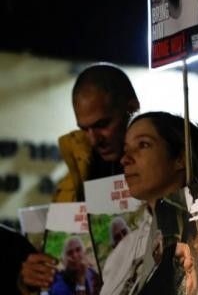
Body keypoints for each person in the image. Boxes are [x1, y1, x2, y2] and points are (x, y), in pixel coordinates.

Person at [20, 63, 140, 292]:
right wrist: (30, 279)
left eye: (102, 124)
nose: (94, 139)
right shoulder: (72, 180)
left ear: (132, 107)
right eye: (85, 129)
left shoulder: (164, 166)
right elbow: (50, 268)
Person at [100, 111, 198, 295]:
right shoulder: (125, 248)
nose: (125, 159)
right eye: (125, 150)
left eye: (143, 144)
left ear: (181, 158)